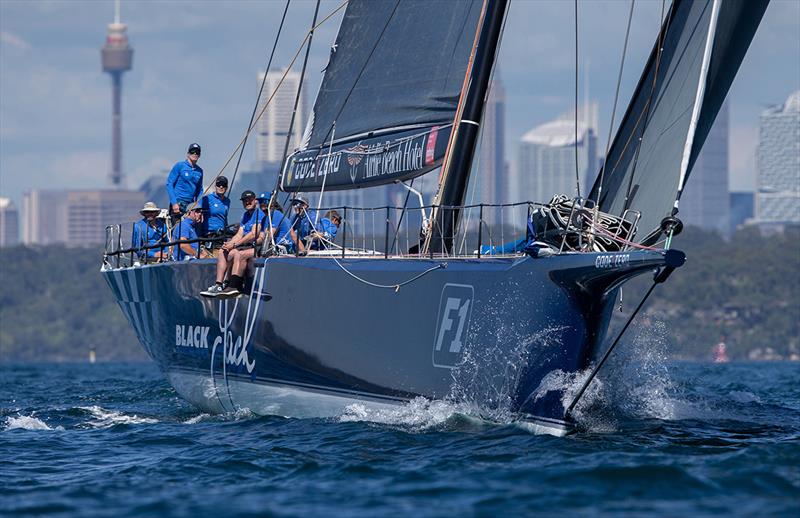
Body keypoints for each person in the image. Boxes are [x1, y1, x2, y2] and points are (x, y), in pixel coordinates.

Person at [200, 190, 264, 297]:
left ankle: (234, 286)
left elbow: (254, 234)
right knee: (223, 251)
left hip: (256, 247)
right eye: (245, 201)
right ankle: (219, 284)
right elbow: (239, 234)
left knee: (237, 254)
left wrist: (235, 245)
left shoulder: (259, 214)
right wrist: (229, 244)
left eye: (250, 200)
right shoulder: (245, 215)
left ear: (255, 201)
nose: (247, 202)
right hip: (244, 246)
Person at [166, 143, 204, 225]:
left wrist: (199, 207)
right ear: (188, 153)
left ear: (199, 155)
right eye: (192, 151)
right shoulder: (180, 166)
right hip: (178, 203)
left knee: (188, 229)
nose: (194, 154)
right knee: (177, 229)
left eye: (197, 152)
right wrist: (174, 203)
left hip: (190, 206)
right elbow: (169, 184)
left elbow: (199, 190)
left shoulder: (199, 171)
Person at [199, 175, 231, 254]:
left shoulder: (227, 201)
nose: (221, 186)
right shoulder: (207, 199)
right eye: (218, 184)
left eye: (223, 185)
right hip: (209, 235)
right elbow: (199, 215)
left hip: (221, 235)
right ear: (215, 186)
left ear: (226, 187)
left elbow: (224, 217)